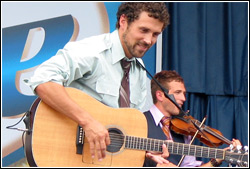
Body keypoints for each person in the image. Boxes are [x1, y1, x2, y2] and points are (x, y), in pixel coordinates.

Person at [24, 2, 170, 162]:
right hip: (67, 156)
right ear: (123, 21)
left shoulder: (140, 69)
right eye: (144, 30)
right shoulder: (92, 51)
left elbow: (129, 129)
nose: (149, 40)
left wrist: (146, 151)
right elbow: (42, 80)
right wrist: (87, 122)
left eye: (155, 34)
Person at [143, 70, 242, 167]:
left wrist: (217, 159)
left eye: (184, 93)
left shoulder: (183, 131)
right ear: (160, 95)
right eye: (177, 92)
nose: (183, 98)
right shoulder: (140, 122)